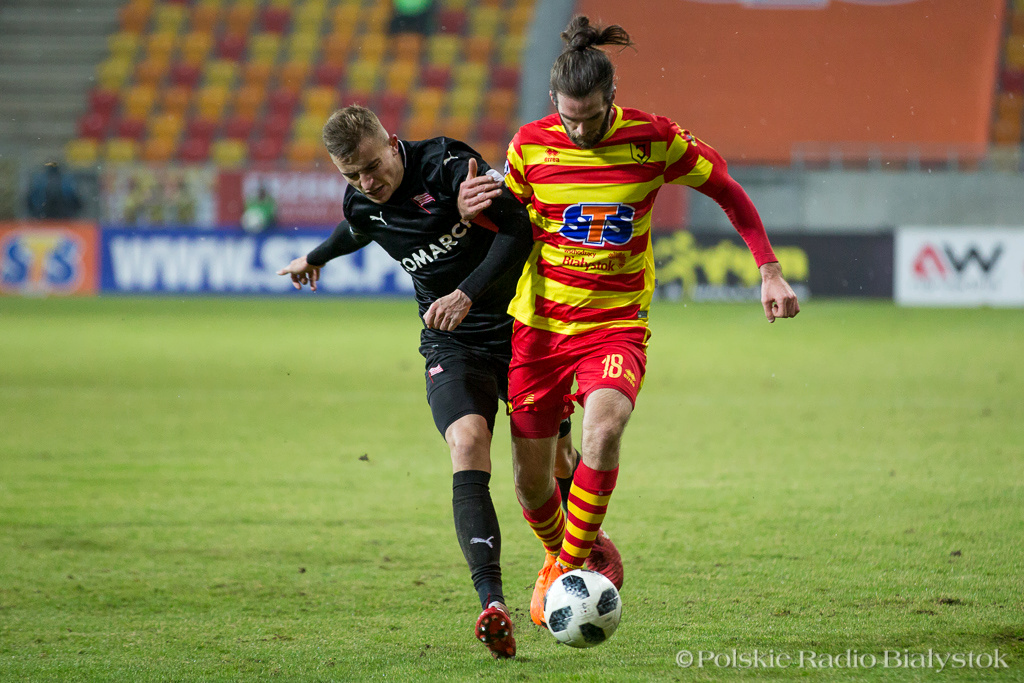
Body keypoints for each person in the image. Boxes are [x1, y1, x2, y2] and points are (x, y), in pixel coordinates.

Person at [459, 16, 801, 628]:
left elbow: (726, 188)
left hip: (616, 323)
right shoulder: (529, 144)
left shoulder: (655, 138)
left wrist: (769, 269)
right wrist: (473, 210)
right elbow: (508, 222)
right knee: (531, 484)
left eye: (591, 117)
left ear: (611, 98)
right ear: (553, 101)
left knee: (605, 428)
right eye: (570, 117)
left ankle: (568, 570)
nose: (580, 129)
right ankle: (567, 550)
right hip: (540, 326)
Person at [275, 105, 622, 659]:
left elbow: (519, 230)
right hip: (452, 341)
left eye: (372, 166)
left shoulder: (447, 165)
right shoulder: (362, 199)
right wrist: (313, 257)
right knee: (467, 443)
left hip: (523, 330)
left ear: (392, 142)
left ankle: (577, 547)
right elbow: (358, 227)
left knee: (554, 461)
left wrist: (466, 293)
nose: (367, 182)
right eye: (352, 175)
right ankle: (493, 604)